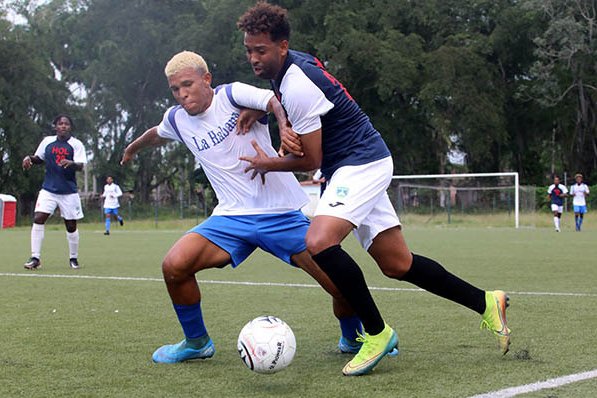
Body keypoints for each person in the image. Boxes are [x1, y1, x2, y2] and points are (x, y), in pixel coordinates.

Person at [237, 1, 511, 375]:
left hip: (360, 163)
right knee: (397, 263)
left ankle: (377, 333)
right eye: (249, 50)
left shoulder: (297, 83)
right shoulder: (288, 68)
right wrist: (270, 111)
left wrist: (268, 162)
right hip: (356, 162)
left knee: (319, 241)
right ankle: (486, 302)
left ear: (282, 46)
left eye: (261, 50)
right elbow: (297, 101)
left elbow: (311, 161)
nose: (253, 57)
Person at [120, 51, 379, 367]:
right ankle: (197, 342)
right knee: (174, 266)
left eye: (187, 84)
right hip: (230, 218)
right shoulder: (177, 119)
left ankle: (352, 338)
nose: (182, 93)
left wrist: (282, 125)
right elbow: (156, 134)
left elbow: (274, 100)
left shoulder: (231, 95)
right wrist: (132, 148)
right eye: (175, 89)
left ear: (206, 79)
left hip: (280, 214)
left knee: (340, 284)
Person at [22, 114, 87, 270]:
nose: (63, 126)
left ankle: (73, 258)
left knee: (71, 226)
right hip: (49, 190)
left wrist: (71, 163)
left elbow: (80, 166)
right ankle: (35, 258)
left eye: (66, 124)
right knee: (39, 217)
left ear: (70, 127)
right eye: (60, 123)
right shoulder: (47, 142)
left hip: (68, 191)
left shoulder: (76, 144)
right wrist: (29, 158)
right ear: (55, 126)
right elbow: (39, 158)